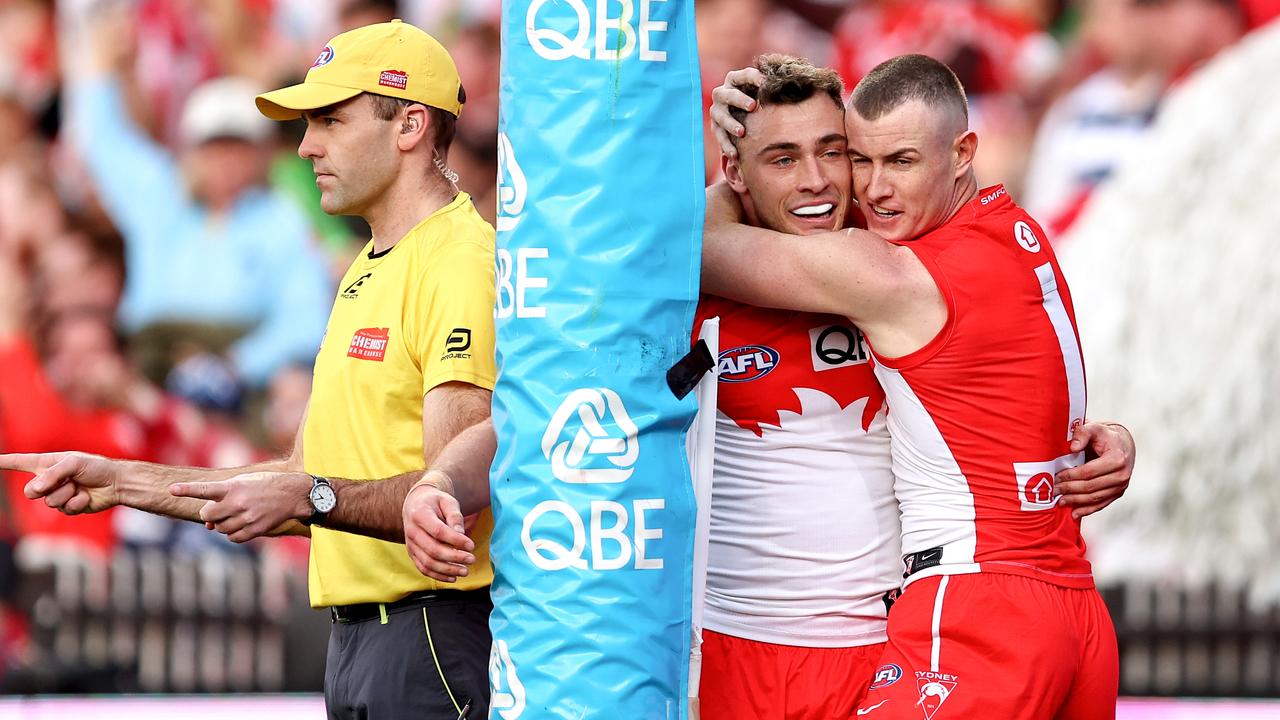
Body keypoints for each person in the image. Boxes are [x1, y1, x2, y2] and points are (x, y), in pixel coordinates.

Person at [396, 53, 1134, 719]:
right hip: (736, 653)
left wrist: (1094, 439)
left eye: (834, 152)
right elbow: (549, 412)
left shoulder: (885, 258)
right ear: (739, 172)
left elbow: (1002, 379)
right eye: (782, 158)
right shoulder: (685, 302)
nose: (822, 180)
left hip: (891, 646)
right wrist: (442, 482)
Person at [5, 20, 496, 720]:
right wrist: (122, 480)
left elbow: (447, 496)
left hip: (425, 638)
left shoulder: (459, 262)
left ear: (411, 125)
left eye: (329, 119)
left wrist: (309, 498)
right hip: (368, 643)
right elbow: (296, 484)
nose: (305, 146)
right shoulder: (369, 267)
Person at [704, 54, 1120, 719]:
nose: (872, 190)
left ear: (962, 154)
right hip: (1073, 606)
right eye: (861, 161)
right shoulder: (1017, 234)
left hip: (977, 606)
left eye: (900, 162)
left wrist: (736, 166)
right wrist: (1108, 439)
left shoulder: (890, 272)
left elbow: (686, 251)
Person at [65, 8, 333, 388]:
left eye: (237, 146)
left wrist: (237, 364)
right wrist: (99, 69)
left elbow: (307, 319)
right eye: (213, 146)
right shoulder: (161, 193)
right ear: (193, 152)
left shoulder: (281, 218)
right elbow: (105, 143)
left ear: (260, 155)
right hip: (147, 357)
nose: (224, 160)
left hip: (234, 369)